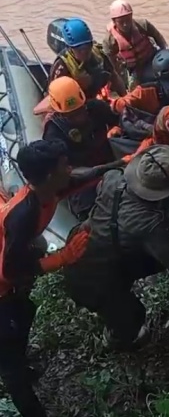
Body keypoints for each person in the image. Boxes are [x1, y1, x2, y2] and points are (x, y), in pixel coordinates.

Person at [0, 139, 103, 417]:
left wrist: (122, 163)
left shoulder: (47, 192)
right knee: (10, 360)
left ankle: (20, 360)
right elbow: (9, 270)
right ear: (47, 176)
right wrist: (62, 258)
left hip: (12, 286)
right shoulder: (22, 216)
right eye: (63, 166)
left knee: (23, 313)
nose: (68, 168)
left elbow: (80, 178)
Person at [63, 145, 169, 351]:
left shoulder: (112, 179)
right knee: (131, 318)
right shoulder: (146, 224)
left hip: (81, 241)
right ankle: (116, 338)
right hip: (92, 278)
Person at [42, 76, 121, 220]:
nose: (79, 118)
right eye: (71, 116)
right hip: (84, 182)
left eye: (80, 111)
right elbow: (63, 173)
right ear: (59, 114)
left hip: (112, 165)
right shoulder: (54, 134)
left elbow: (119, 121)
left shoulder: (96, 108)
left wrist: (115, 129)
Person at [49, 18, 127, 99]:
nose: (85, 52)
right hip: (75, 103)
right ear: (70, 48)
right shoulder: (62, 66)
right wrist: (76, 85)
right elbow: (54, 96)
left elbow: (114, 77)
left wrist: (126, 98)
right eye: (80, 49)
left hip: (95, 98)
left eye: (88, 46)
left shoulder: (99, 55)